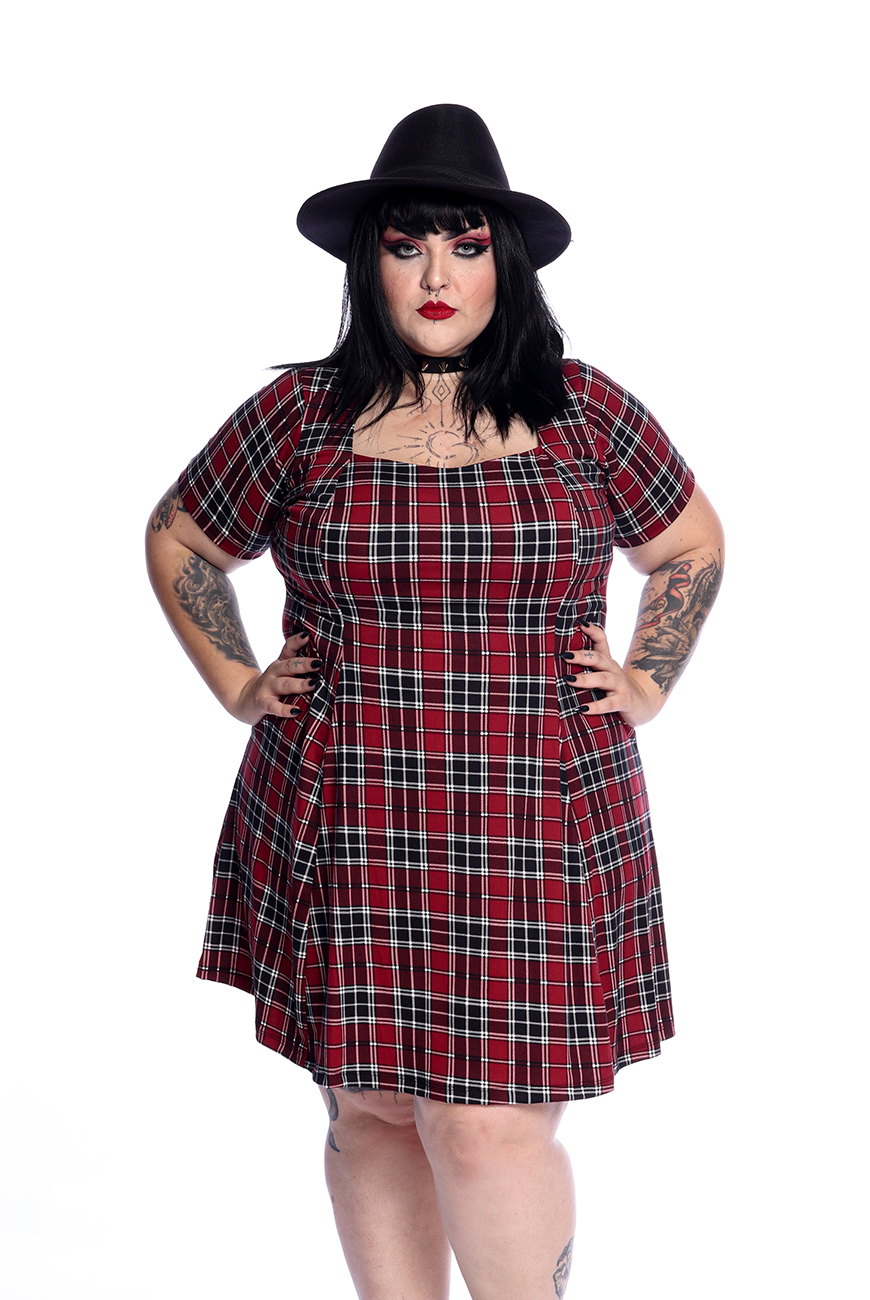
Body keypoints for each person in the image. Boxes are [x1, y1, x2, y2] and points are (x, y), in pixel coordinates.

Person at [146, 104, 724, 1300]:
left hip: (536, 808)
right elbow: (180, 536)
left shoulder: (584, 410)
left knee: (490, 1123)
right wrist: (240, 682)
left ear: (506, 263)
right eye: (407, 247)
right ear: (370, 265)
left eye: (466, 245)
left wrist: (649, 676)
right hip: (348, 800)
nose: (437, 277)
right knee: (371, 1105)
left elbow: (690, 544)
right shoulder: (299, 416)